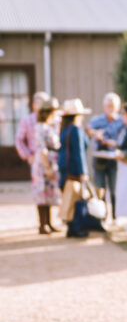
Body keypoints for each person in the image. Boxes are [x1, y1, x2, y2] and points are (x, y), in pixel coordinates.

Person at [58, 98, 91, 239]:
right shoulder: (76, 130)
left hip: (65, 169)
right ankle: (76, 227)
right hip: (74, 169)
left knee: (69, 197)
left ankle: (71, 227)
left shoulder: (64, 129)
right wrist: (83, 171)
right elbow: (79, 152)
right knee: (76, 198)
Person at [88, 93, 124, 220]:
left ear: (118, 107)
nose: (111, 108)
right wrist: (96, 134)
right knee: (100, 187)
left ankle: (115, 216)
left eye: (113, 106)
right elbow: (89, 131)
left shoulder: (122, 121)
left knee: (114, 189)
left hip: (115, 159)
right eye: (108, 105)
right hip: (99, 158)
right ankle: (102, 216)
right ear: (104, 106)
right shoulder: (96, 120)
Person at [30, 97, 61, 234]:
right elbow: (42, 149)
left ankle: (48, 222)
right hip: (43, 165)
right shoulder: (40, 127)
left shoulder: (49, 126)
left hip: (50, 162)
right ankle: (42, 225)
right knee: (42, 193)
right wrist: (47, 167)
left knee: (48, 194)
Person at [15, 91, 50, 166]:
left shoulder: (54, 119)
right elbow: (19, 140)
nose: (42, 106)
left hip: (51, 159)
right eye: (39, 103)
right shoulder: (27, 121)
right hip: (36, 159)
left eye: (44, 103)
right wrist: (28, 156)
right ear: (34, 105)